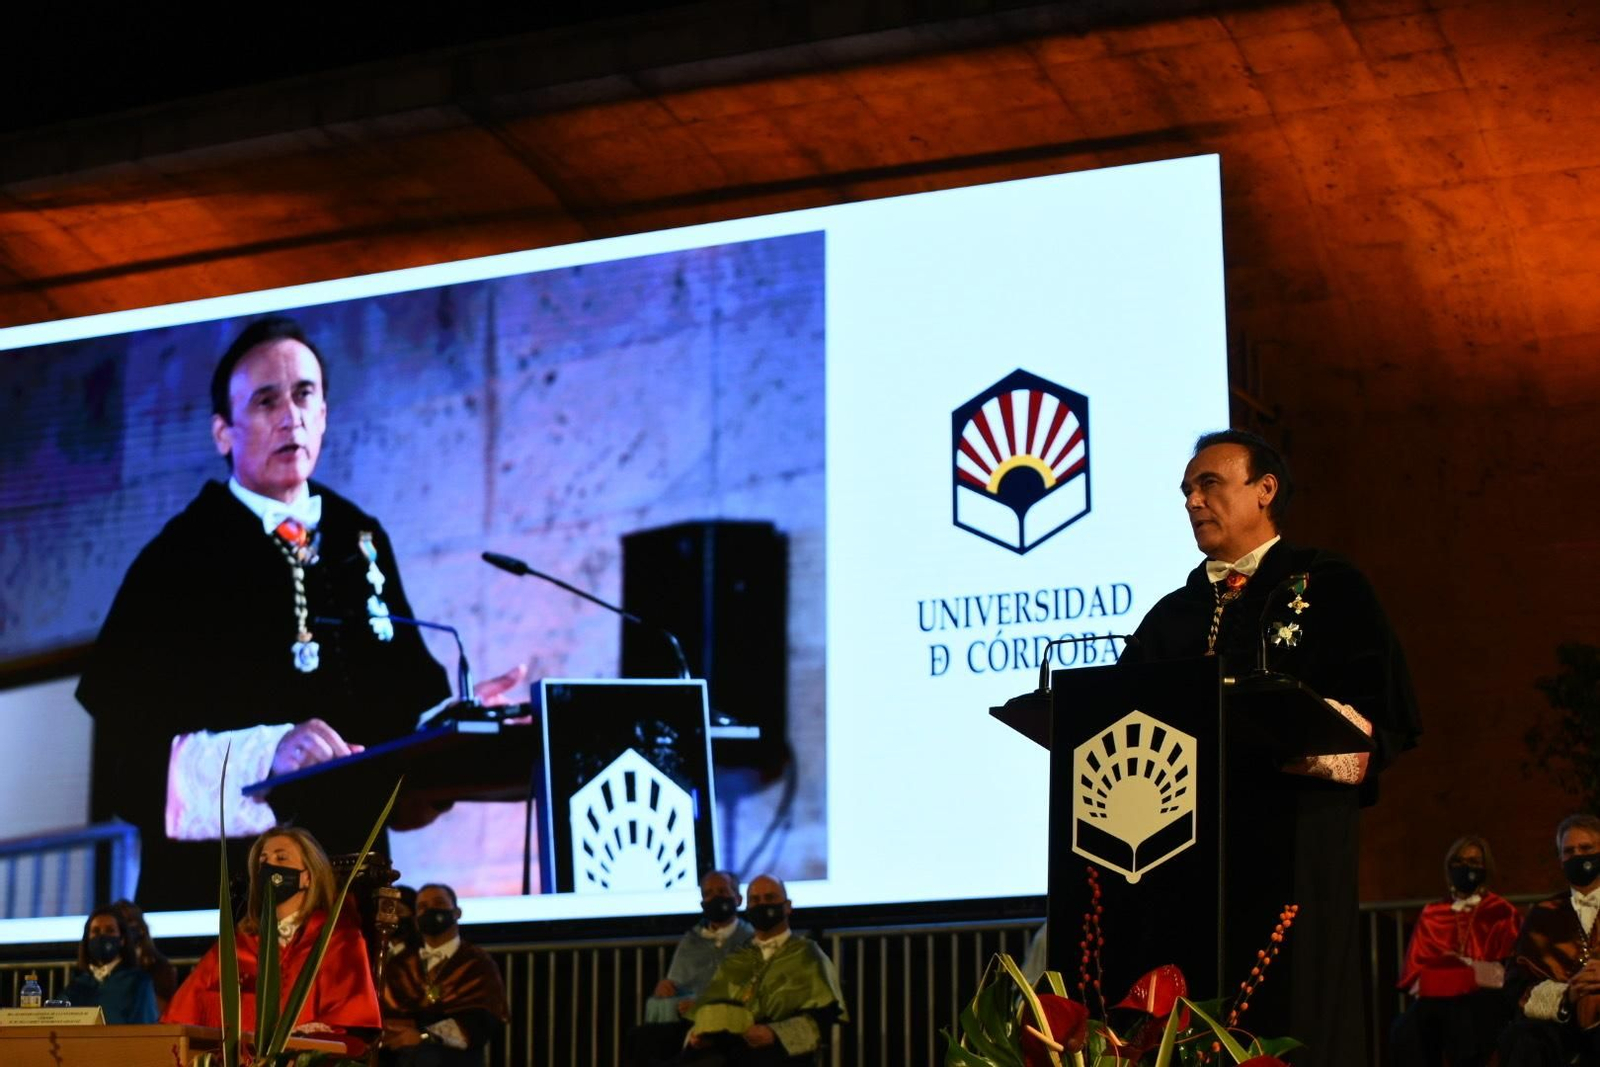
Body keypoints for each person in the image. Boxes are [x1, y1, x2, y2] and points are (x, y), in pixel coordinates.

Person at [76, 316, 525, 909]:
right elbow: (124, 764)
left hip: (351, 889)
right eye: (266, 401)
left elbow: (393, 720)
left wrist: (456, 726)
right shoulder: (175, 560)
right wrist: (270, 756)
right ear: (223, 433)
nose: (290, 416)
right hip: (224, 900)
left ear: (325, 413)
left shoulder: (359, 537)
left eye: (304, 395)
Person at [1121, 429, 1420, 1067]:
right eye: (1186, 491)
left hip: (1293, 835)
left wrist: (1300, 735)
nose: (1192, 502)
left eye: (1209, 484)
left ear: (1265, 490)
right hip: (1184, 857)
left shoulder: (1330, 586)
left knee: (1292, 1010)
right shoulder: (1172, 615)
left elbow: (1382, 709)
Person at [164, 826, 382, 1054]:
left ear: (307, 876)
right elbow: (178, 1018)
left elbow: (351, 1026)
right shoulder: (237, 945)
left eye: (281, 857)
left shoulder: (338, 939)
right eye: (263, 861)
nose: (269, 867)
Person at [676, 874, 844, 1065]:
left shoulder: (808, 955)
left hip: (781, 1052)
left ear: (787, 906)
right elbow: (715, 1006)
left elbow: (822, 1017)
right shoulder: (737, 958)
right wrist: (703, 1035)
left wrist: (774, 1033)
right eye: (755, 900)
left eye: (770, 898)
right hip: (731, 1048)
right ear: (747, 908)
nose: (762, 905)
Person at [1391, 835, 1520, 1066]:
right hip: (1437, 997)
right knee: (1405, 1027)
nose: (1465, 868)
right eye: (1459, 862)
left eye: (1474, 862)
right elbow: (1415, 972)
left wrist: (1468, 967)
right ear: (1449, 867)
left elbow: (1511, 970)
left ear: (1485, 867)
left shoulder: (1502, 912)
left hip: (1485, 996)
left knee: (1464, 1021)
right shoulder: (1433, 911)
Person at [1498, 814, 1600, 1065]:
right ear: (1560, 859)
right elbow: (1516, 984)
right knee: (1524, 1038)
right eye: (1568, 851)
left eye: (1586, 848)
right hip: (1559, 1023)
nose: (1577, 855)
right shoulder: (1543, 914)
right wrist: (1567, 995)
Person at [626, 870, 756, 1066]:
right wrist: (664, 990)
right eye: (708, 894)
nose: (715, 898)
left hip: (727, 1026)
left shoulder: (750, 939)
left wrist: (703, 1005)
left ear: (737, 898)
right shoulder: (692, 940)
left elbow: (750, 992)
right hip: (684, 1022)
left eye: (722, 890)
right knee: (642, 1038)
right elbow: (674, 985)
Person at [379, 882, 508, 1065]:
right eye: (422, 907)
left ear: (457, 913)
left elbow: (482, 1019)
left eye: (438, 903)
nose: (430, 910)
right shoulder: (400, 964)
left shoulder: (477, 962)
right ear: (416, 919)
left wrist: (423, 1035)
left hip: (452, 1057)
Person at [62, 904, 160, 1023]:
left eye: (110, 930)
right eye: (95, 931)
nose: (102, 936)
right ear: (87, 939)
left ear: (122, 939)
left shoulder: (139, 983)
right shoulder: (77, 985)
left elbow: (147, 1029)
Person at [109, 898, 179, 1012]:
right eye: (118, 924)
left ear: (141, 928)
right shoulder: (101, 969)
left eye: (128, 921)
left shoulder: (159, 967)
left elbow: (160, 1011)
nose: (124, 928)